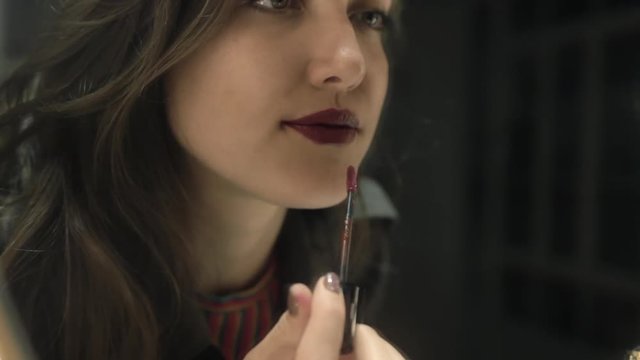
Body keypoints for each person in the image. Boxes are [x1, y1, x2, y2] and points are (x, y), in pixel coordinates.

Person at [0, 0, 406, 359]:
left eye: (369, 17)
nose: (350, 63)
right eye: (274, 1)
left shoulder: (366, 242)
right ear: (147, 29)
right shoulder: (17, 281)